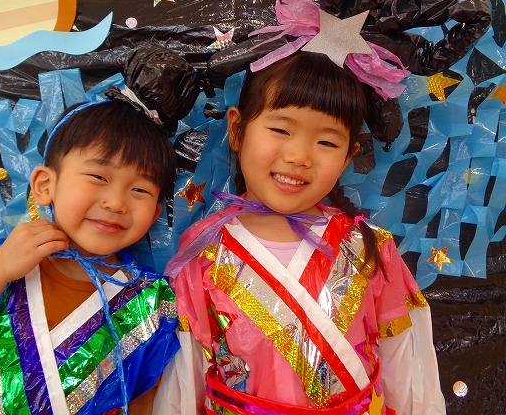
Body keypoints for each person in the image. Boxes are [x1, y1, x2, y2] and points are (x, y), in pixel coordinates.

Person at [154, 50, 447, 414]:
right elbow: (185, 382)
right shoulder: (201, 251)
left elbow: (410, 378)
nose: (299, 157)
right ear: (237, 129)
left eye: (327, 142)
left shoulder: (371, 249)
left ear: (348, 155)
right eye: (280, 129)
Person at [0, 99, 181, 415]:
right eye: (98, 177)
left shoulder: (157, 304)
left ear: (154, 214)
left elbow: (145, 403)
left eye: (139, 190)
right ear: (45, 185)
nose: (116, 203)